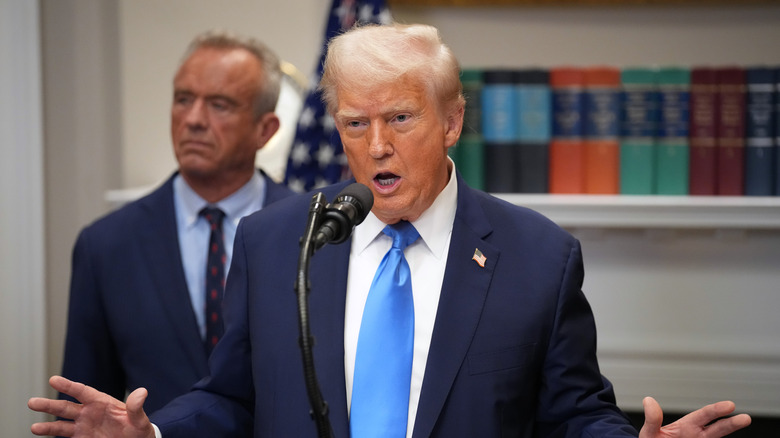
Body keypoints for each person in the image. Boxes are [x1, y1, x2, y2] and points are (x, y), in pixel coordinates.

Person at [30, 23, 751, 438]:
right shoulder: (277, 241)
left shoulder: (539, 256)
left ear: (451, 121)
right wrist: (150, 433)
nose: (375, 145)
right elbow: (230, 396)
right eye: (354, 123)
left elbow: (572, 413)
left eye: (400, 119)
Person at [54, 29, 294, 415]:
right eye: (183, 99)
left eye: (220, 105)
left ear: (265, 130)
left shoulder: (313, 233)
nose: (194, 119)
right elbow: (83, 409)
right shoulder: (106, 245)